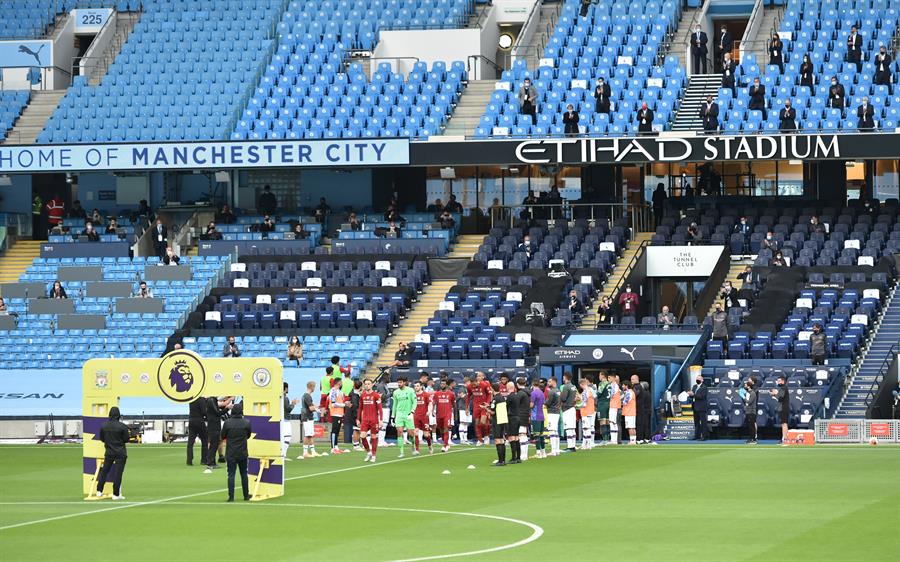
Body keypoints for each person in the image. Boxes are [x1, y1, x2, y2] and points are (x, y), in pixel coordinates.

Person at [95, 406, 129, 500]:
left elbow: (102, 438)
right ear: (118, 415)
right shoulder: (122, 426)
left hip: (109, 451)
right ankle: (116, 494)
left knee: (104, 471)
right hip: (120, 452)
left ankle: (99, 490)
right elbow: (126, 439)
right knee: (118, 473)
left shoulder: (104, 425)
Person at [220, 401, 251, 501]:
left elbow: (222, 435)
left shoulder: (227, 423)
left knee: (231, 475)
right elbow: (248, 435)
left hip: (231, 453)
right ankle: (246, 495)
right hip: (242, 452)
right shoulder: (246, 422)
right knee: (244, 474)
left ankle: (231, 496)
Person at [204, 395, 232, 473]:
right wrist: (227, 408)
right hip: (213, 427)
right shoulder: (211, 401)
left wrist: (227, 398)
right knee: (213, 445)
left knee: (215, 445)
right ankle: (210, 463)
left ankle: (212, 462)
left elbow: (220, 400)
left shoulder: (212, 400)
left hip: (214, 426)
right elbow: (218, 413)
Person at [357, 378, 382, 462]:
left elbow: (380, 409)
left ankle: (374, 455)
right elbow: (360, 408)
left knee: (373, 437)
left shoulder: (376, 395)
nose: (367, 385)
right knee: (362, 436)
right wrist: (358, 419)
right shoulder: (362, 396)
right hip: (365, 420)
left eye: (369, 384)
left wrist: (381, 420)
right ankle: (369, 452)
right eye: (366, 384)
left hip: (374, 420)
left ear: (372, 385)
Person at [391, 376, 417, 458]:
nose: (399, 384)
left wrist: (412, 411)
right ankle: (401, 452)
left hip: (408, 414)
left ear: (405, 382)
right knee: (399, 432)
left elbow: (415, 401)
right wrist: (392, 416)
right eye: (398, 382)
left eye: (400, 382)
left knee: (411, 434)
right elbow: (395, 404)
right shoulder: (395, 392)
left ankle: (413, 447)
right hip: (399, 415)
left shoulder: (410, 390)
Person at [488, 382, 509, 466]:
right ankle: (503, 460)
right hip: (502, 420)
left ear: (492, 389)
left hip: (497, 421)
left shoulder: (495, 399)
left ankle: (500, 461)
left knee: (498, 440)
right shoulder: (502, 397)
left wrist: (486, 409)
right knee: (501, 440)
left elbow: (492, 412)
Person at [298, 381, 319, 459]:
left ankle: (313, 451)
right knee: (307, 435)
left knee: (310, 434)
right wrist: (317, 409)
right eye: (314, 387)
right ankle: (305, 452)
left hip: (307, 417)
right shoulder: (307, 396)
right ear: (311, 387)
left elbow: (310, 405)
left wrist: (316, 406)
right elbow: (311, 408)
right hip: (307, 417)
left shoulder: (305, 395)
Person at [472, 371, 493, 446]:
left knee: (483, 422)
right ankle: (480, 439)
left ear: (483, 377)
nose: (478, 377)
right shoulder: (473, 384)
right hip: (476, 406)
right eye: (477, 376)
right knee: (477, 423)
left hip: (484, 406)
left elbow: (490, 394)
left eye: (480, 376)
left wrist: (487, 404)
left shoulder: (486, 384)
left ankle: (487, 436)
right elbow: (470, 394)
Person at [412, 381, 433, 455]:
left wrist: (429, 411)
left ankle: (430, 446)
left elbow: (430, 404)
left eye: (417, 386)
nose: (416, 387)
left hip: (424, 416)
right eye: (415, 386)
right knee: (415, 432)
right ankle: (417, 450)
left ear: (421, 386)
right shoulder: (413, 395)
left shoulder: (425, 394)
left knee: (426, 435)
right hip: (416, 416)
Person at [433, 380, 454, 453]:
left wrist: (452, 412)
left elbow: (453, 404)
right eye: (441, 384)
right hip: (439, 414)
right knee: (441, 429)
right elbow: (434, 403)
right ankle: (445, 442)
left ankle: (445, 445)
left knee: (446, 429)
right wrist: (432, 411)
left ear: (446, 385)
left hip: (447, 414)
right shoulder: (437, 394)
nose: (442, 385)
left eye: (443, 384)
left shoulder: (451, 394)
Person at [326, 377, 346, 455]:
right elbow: (333, 404)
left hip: (339, 413)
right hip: (335, 413)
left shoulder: (339, 391)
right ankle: (333, 447)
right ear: (339, 383)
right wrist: (344, 405)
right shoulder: (333, 391)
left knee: (337, 430)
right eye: (341, 382)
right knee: (334, 430)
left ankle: (336, 447)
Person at [559, 372, 578, 452]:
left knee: (569, 428)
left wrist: (560, 395)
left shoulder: (566, 387)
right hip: (572, 408)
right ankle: (573, 446)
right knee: (572, 428)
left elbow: (563, 398)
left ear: (565, 377)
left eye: (563, 377)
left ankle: (570, 447)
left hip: (567, 409)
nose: (563, 378)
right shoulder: (573, 386)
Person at [186, 397, 208, 466]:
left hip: (191, 421)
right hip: (199, 421)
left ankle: (189, 460)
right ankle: (204, 460)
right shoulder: (201, 399)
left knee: (190, 442)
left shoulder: (191, 399)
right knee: (205, 440)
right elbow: (204, 412)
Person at [770, 375, 790, 444]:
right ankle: (784, 438)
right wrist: (774, 394)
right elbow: (779, 398)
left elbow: (780, 397)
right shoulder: (782, 388)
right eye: (777, 381)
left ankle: (785, 439)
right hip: (782, 408)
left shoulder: (784, 388)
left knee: (784, 424)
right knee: (783, 424)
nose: (778, 382)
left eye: (779, 381)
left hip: (784, 408)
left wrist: (776, 393)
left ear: (783, 381)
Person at [281, 382, 299, 459]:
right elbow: (288, 409)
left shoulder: (278, 397)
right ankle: (283, 455)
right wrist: (293, 404)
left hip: (281, 419)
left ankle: (282, 454)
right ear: (285, 388)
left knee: (282, 437)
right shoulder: (285, 398)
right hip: (285, 420)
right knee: (287, 437)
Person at [528, 379, 545, 459]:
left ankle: (538, 452)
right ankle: (543, 452)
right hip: (541, 415)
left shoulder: (533, 393)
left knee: (536, 435)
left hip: (535, 416)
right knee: (541, 435)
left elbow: (531, 405)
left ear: (532, 385)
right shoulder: (542, 393)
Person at [688, 374, 708, 440]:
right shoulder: (694, 386)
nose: (697, 380)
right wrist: (690, 394)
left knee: (703, 422)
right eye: (697, 379)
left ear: (702, 380)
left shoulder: (704, 387)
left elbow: (702, 396)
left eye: (699, 379)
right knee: (696, 422)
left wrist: (693, 394)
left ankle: (704, 436)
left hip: (701, 407)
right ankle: (697, 435)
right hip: (695, 406)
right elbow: (692, 396)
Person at [544, 376, 561, 456]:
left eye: (549, 381)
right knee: (555, 431)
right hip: (557, 412)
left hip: (551, 412)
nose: (548, 383)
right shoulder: (558, 390)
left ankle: (553, 451)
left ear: (554, 382)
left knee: (551, 431)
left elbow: (548, 403)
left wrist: (544, 404)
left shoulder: (551, 392)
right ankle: (557, 450)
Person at [578, 378, 596, 449]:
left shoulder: (585, 392)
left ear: (582, 384)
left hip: (585, 411)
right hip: (591, 411)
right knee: (590, 427)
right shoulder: (591, 390)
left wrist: (577, 406)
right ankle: (587, 443)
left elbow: (584, 403)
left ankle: (588, 444)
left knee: (586, 428)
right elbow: (594, 397)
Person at [454, 375, 472, 444]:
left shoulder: (469, 389)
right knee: (462, 423)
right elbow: (460, 396)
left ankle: (465, 438)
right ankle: (462, 439)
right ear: (467, 382)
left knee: (466, 423)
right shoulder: (462, 388)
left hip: (468, 408)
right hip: (462, 408)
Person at [742, 378, 758, 444]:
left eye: (745, 385)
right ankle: (751, 438)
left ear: (748, 386)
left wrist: (743, 397)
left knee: (752, 426)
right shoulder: (748, 393)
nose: (744, 386)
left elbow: (749, 402)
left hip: (752, 411)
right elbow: (746, 402)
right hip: (748, 411)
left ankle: (754, 439)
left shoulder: (753, 393)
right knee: (749, 426)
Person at [607, 375, 621, 445]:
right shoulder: (615, 386)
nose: (608, 379)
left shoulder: (614, 386)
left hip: (613, 405)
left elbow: (610, 395)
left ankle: (613, 440)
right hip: (614, 405)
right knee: (614, 423)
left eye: (609, 378)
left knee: (612, 422)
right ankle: (614, 440)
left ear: (613, 378)